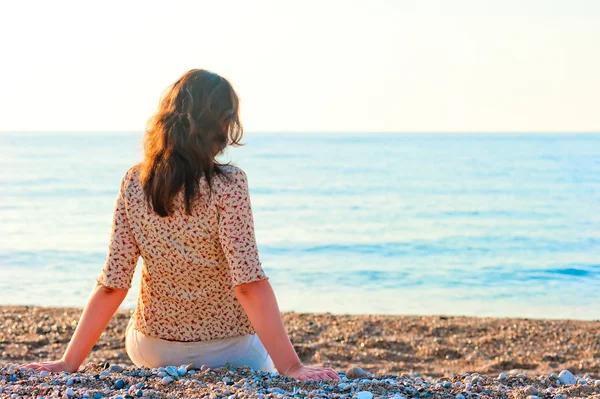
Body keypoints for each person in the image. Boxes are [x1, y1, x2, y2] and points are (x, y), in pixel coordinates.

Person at [23, 69, 340, 382]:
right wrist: (292, 366)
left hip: (154, 348)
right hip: (231, 348)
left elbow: (113, 284)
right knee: (266, 359)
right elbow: (248, 284)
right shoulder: (229, 184)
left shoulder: (135, 183)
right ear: (222, 124)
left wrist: (69, 362)